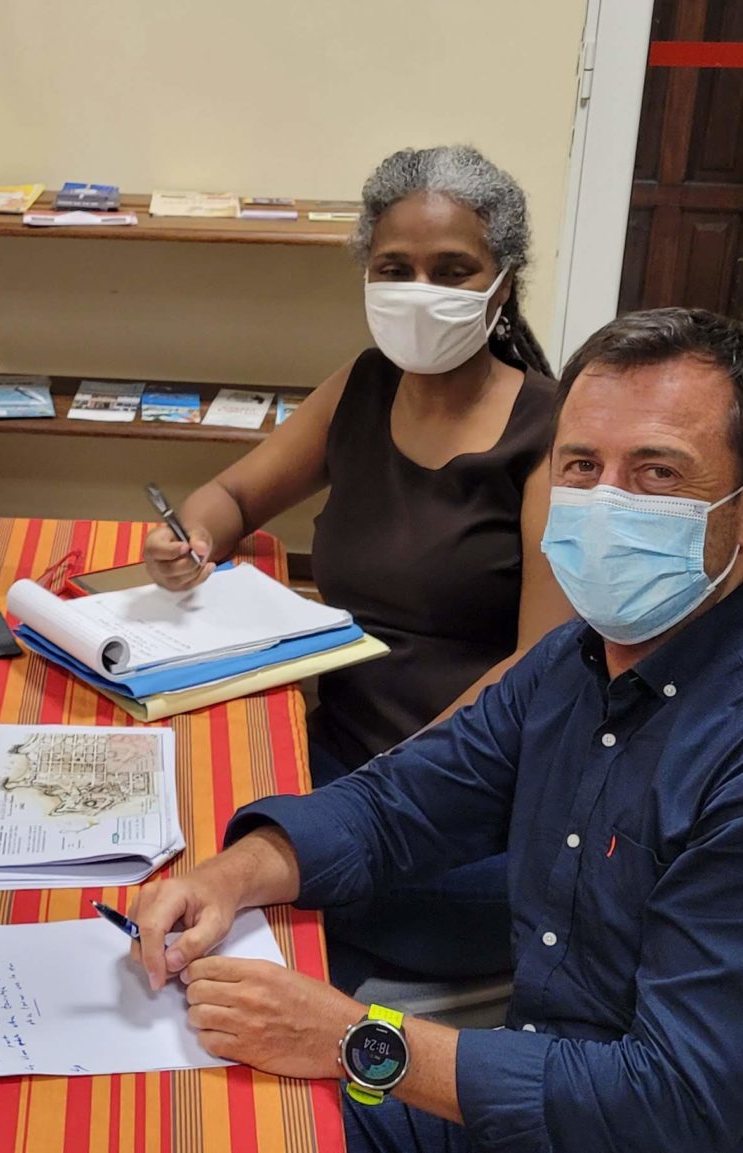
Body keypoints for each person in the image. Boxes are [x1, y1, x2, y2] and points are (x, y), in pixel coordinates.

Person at [128, 309, 743, 1153]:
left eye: (657, 471)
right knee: (203, 1113)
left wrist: (347, 1037)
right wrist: (236, 873)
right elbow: (403, 800)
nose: (606, 499)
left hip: (655, 1131)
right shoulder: (576, 661)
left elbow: (666, 1105)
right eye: (582, 465)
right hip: (543, 1097)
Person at [143, 145, 576, 988]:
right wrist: (190, 539)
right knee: (177, 842)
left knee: (219, 921)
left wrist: (377, 797)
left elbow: (538, 673)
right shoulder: (366, 385)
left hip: (451, 813)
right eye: (395, 267)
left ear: (503, 282)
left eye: (453, 269)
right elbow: (232, 494)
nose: (422, 289)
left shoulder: (550, 437)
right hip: (336, 766)